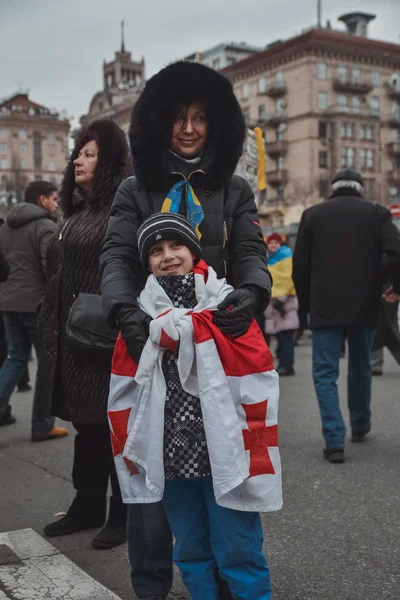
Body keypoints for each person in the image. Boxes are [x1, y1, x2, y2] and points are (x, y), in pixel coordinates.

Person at [101, 61, 272, 600]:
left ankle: (235, 584)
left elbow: (249, 250)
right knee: (159, 486)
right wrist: (124, 311)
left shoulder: (235, 187)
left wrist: (253, 292)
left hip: (221, 348)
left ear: (216, 122)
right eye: (180, 118)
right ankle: (160, 586)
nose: (191, 128)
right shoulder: (134, 188)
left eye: (201, 117)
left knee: (232, 478)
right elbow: (117, 257)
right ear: (160, 123)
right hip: (152, 348)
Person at [109, 212, 280, 600]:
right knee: (189, 549)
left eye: (176, 245)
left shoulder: (228, 307)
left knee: (238, 546)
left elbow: (257, 373)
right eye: (156, 250)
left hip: (227, 451)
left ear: (194, 250)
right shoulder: (140, 316)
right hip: (170, 452)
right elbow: (125, 388)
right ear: (146, 262)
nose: (168, 256)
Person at [38, 120, 132, 549]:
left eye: (90, 154)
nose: (78, 159)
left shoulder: (123, 207)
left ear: (110, 161)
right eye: (79, 152)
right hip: (69, 334)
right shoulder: (75, 210)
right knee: (86, 424)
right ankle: (87, 502)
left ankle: (122, 512)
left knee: (112, 426)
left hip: (101, 334)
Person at [293, 168, 400, 464]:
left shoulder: (313, 215)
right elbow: (395, 252)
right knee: (361, 366)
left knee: (325, 372)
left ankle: (334, 439)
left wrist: (305, 308)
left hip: (324, 306)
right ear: (361, 189)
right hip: (366, 305)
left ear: (332, 189)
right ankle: (361, 424)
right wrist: (396, 288)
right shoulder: (378, 213)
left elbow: (299, 267)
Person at [0, 181, 67, 438]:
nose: (55, 203)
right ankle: (42, 424)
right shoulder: (45, 226)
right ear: (41, 200)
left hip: (8, 302)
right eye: (52, 198)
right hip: (36, 304)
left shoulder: (6, 227)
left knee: (16, 358)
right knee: (47, 363)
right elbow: (51, 269)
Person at [264, 233, 298, 376]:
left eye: (276, 243)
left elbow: (287, 278)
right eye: (271, 243)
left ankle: (287, 365)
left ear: (280, 244)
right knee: (279, 338)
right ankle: (282, 363)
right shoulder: (267, 258)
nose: (273, 245)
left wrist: (281, 298)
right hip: (273, 305)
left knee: (286, 338)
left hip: (285, 306)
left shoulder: (286, 257)